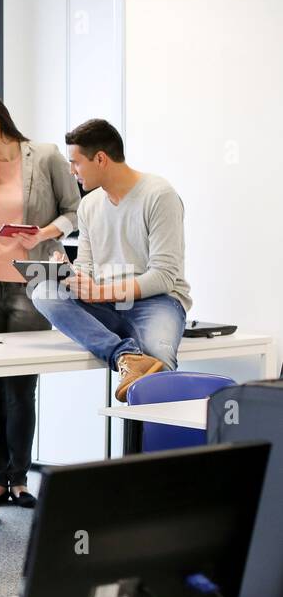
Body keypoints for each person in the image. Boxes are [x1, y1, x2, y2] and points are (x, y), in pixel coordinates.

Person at [0, 91, 80, 508]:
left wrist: (44, 233)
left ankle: (20, 479)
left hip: (32, 286)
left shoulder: (45, 157)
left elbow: (75, 211)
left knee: (21, 388)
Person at [30, 119, 192, 403]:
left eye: (76, 162)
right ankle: (125, 355)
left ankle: (152, 427)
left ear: (101, 159)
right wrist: (68, 272)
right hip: (106, 304)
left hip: (157, 302)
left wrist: (100, 291)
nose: (71, 171)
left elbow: (164, 276)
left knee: (159, 369)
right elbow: (86, 270)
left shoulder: (159, 195)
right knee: (44, 291)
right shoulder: (89, 205)